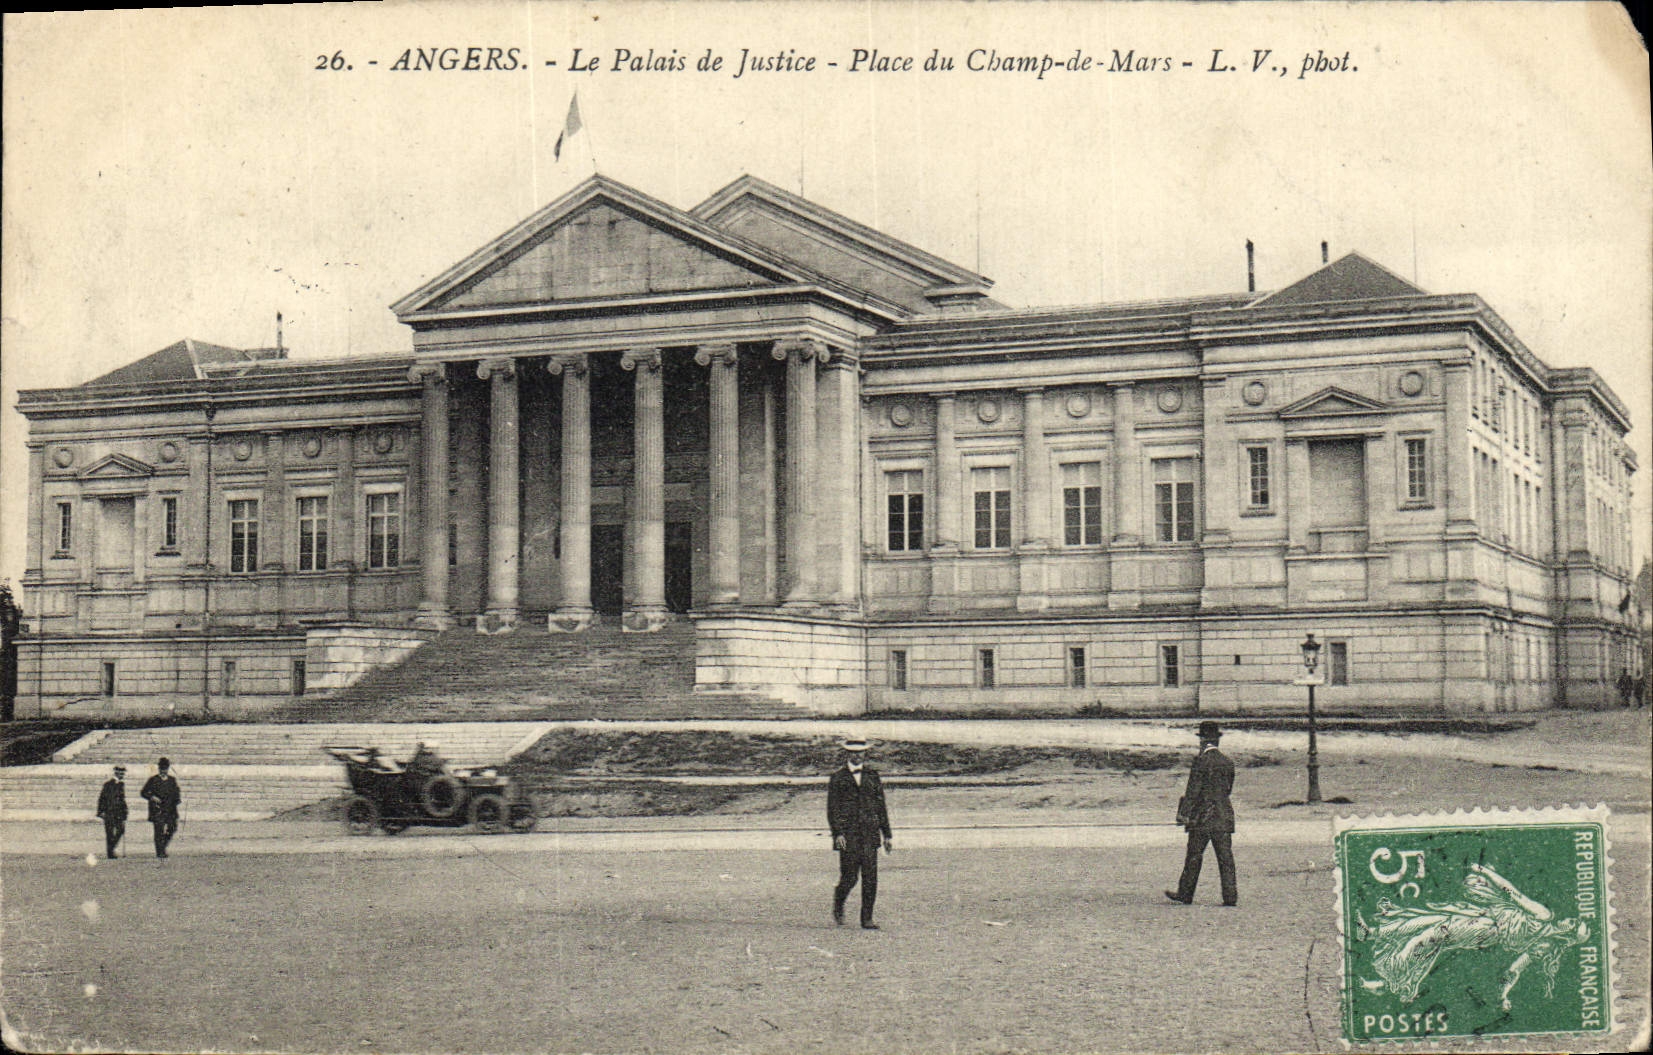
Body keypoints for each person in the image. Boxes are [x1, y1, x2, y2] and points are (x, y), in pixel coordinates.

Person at [1166, 720, 1237, 907]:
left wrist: (1183, 815)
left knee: (1194, 856)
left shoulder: (1200, 762)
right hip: (1223, 815)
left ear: (1203, 741)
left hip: (1202, 818)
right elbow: (1228, 790)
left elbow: (1192, 792)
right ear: (1217, 741)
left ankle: (1185, 894)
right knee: (1226, 857)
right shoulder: (1228, 762)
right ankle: (1230, 897)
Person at [827, 736, 893, 929]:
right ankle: (839, 902)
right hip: (848, 836)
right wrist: (838, 834)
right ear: (847, 754)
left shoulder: (873, 776)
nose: (857, 756)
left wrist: (887, 834)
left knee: (870, 877)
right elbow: (832, 809)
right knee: (850, 877)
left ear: (865, 753)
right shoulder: (838, 778)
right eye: (853, 753)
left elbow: (881, 806)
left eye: (860, 752)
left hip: (870, 834)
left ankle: (867, 918)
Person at [140, 757, 182, 858]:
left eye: (165, 768)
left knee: (172, 828)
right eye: (162, 768)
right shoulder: (153, 779)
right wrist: (152, 797)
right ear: (159, 768)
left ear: (168, 769)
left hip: (170, 809)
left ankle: (162, 846)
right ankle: (160, 852)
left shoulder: (172, 780)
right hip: (157, 809)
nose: (164, 770)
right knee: (159, 830)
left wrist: (177, 800)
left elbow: (176, 793)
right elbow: (143, 792)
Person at [96, 765, 128, 859]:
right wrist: (101, 811)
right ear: (116, 773)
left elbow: (122, 799)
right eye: (121, 773)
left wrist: (125, 810)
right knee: (110, 832)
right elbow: (102, 798)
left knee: (120, 830)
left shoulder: (122, 784)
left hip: (119, 812)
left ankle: (111, 848)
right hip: (109, 811)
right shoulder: (108, 784)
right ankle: (110, 853)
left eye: (123, 773)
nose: (122, 774)